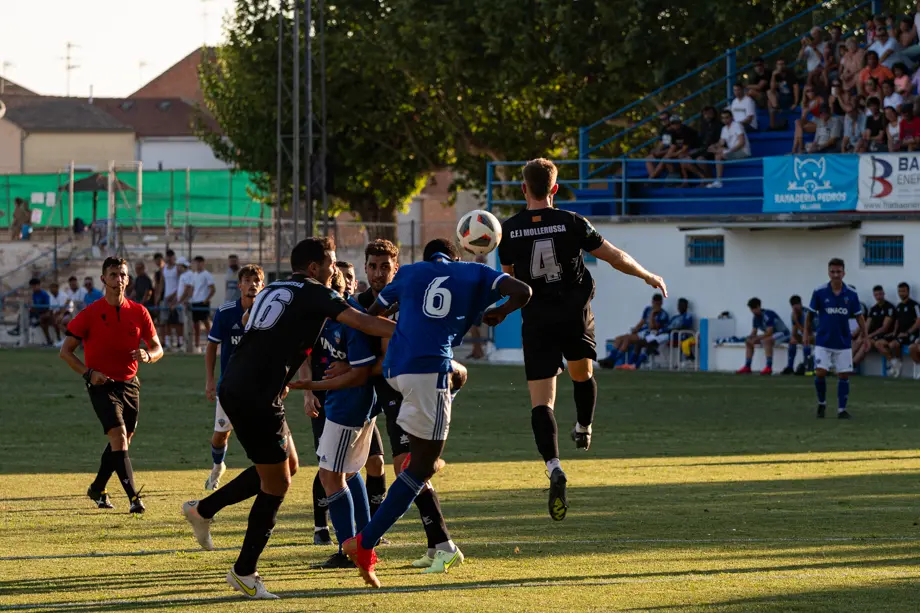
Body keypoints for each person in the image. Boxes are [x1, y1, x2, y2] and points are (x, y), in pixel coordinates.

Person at [181, 237, 396, 599]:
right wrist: (415, 335)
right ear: (313, 268)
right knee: (277, 484)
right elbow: (362, 322)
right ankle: (244, 571)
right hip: (256, 394)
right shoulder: (316, 291)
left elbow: (251, 322)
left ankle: (203, 509)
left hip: (240, 384)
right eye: (329, 264)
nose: (333, 271)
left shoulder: (274, 286)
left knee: (288, 466)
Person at [340, 238, 533, 588]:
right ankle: (364, 542)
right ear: (455, 256)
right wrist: (500, 312)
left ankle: (434, 538)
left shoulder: (412, 272)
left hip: (395, 372)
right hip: (430, 370)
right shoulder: (472, 272)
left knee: (417, 455)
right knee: (422, 467)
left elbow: (375, 313)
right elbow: (523, 291)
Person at [498, 158, 666, 521]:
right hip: (574, 316)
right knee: (582, 375)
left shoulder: (508, 232)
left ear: (523, 189)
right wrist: (646, 274)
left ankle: (554, 465)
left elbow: (508, 283)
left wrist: (495, 310)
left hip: (537, 321)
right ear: (555, 189)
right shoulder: (573, 222)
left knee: (541, 403)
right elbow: (613, 257)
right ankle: (584, 427)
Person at [354, 239, 466, 573]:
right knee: (406, 467)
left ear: (396, 268)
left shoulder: (409, 298)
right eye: (372, 266)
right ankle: (437, 545)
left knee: (407, 466)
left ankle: (444, 545)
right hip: (383, 394)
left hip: (404, 392)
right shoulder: (360, 303)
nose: (377, 273)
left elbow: (390, 358)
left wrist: (354, 369)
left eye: (384, 267)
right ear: (365, 268)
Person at [59, 257, 163, 513]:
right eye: (113, 274)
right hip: (101, 385)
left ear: (128, 279)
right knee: (119, 437)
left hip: (130, 385)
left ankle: (97, 487)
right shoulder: (90, 314)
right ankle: (134, 499)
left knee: (124, 439)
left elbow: (158, 348)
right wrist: (88, 373)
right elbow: (66, 352)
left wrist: (148, 355)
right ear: (103, 279)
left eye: (123, 275)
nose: (119, 279)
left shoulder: (139, 312)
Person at [203, 264, 265, 490]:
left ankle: (265, 476)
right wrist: (210, 380)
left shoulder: (269, 312)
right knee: (221, 435)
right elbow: (211, 347)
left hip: (259, 387)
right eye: (247, 280)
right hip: (230, 387)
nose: (252, 285)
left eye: (256, 281)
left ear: (263, 286)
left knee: (260, 436)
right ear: (239, 285)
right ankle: (218, 465)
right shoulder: (226, 311)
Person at [804, 259, 867, 419]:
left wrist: (865, 336)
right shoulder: (819, 292)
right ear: (828, 273)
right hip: (823, 340)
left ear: (844, 273)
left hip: (843, 341)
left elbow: (860, 317)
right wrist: (806, 333)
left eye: (839, 272)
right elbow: (810, 315)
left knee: (844, 375)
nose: (836, 275)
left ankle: (841, 410)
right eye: (833, 271)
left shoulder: (851, 294)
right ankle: (822, 404)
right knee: (820, 372)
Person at [875, 282, 920, 377]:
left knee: (912, 347)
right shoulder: (899, 306)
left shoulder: (914, 305)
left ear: (908, 292)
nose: (901, 293)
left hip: (912, 335)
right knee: (892, 345)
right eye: (899, 291)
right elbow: (897, 321)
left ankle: (917, 367)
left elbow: (918, 321)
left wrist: (908, 332)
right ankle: (897, 364)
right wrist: (894, 333)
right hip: (901, 335)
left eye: (903, 291)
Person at [737, 298, 789, 376]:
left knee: (766, 341)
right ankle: (747, 366)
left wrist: (757, 338)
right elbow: (754, 332)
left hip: (782, 333)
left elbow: (769, 332)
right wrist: (750, 338)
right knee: (748, 341)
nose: (752, 311)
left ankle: (769, 367)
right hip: (772, 335)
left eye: (754, 308)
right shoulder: (755, 317)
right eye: (751, 309)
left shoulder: (767, 315)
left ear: (759, 307)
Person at [184, 256, 216, 351]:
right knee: (196, 325)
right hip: (195, 302)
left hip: (203, 303)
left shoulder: (207, 275)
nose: (196, 265)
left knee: (206, 324)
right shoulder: (194, 275)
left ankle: (210, 345)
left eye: (198, 263)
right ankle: (197, 345)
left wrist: (206, 300)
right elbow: (192, 289)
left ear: (202, 263)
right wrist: (188, 299)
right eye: (195, 263)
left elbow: (213, 289)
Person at [863, 285, 896, 366]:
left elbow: (884, 328)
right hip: (874, 336)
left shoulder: (889, 307)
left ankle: (894, 362)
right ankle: (852, 364)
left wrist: (870, 335)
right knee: (860, 342)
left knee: (878, 344)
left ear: (883, 293)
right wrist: (864, 335)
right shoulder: (873, 308)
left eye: (880, 294)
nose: (878, 296)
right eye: (876, 295)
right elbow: (867, 324)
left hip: (886, 336)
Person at [782, 295, 813, 375]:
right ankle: (790, 367)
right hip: (806, 335)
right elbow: (794, 332)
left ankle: (806, 365)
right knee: (792, 342)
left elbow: (808, 331)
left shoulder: (807, 313)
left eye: (797, 306)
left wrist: (796, 321)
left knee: (806, 341)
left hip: (816, 334)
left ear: (800, 304)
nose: (795, 309)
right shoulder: (794, 314)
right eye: (793, 307)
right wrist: (793, 337)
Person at [27, 278, 54, 345]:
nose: (33, 288)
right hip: (39, 312)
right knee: (25, 313)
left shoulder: (44, 294)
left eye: (34, 286)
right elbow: (35, 305)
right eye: (32, 287)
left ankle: (49, 340)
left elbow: (48, 306)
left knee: (43, 322)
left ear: (38, 285)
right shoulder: (34, 294)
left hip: (46, 312)